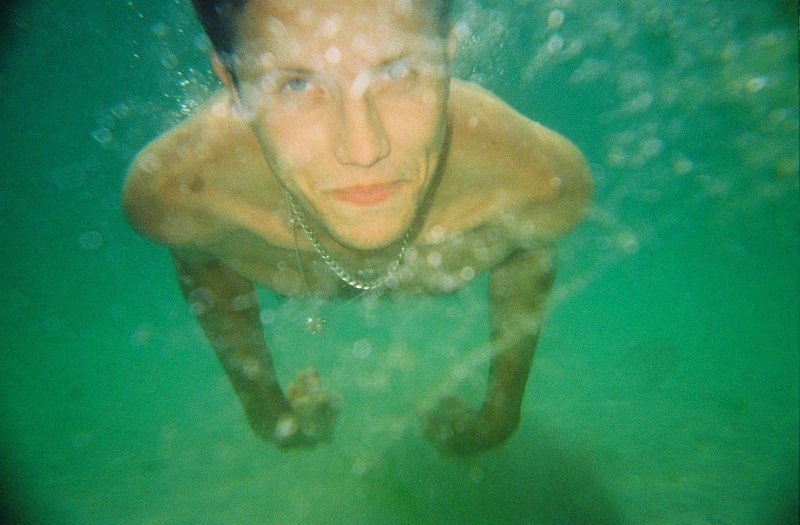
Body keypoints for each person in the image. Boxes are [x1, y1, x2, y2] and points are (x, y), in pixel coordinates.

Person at [121, 0, 591, 456]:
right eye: (297, 84)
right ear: (233, 85)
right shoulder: (180, 193)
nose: (364, 150)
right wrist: (267, 411)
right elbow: (204, 266)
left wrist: (500, 413)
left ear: (448, 60)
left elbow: (528, 252)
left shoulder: (536, 180)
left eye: (398, 73)